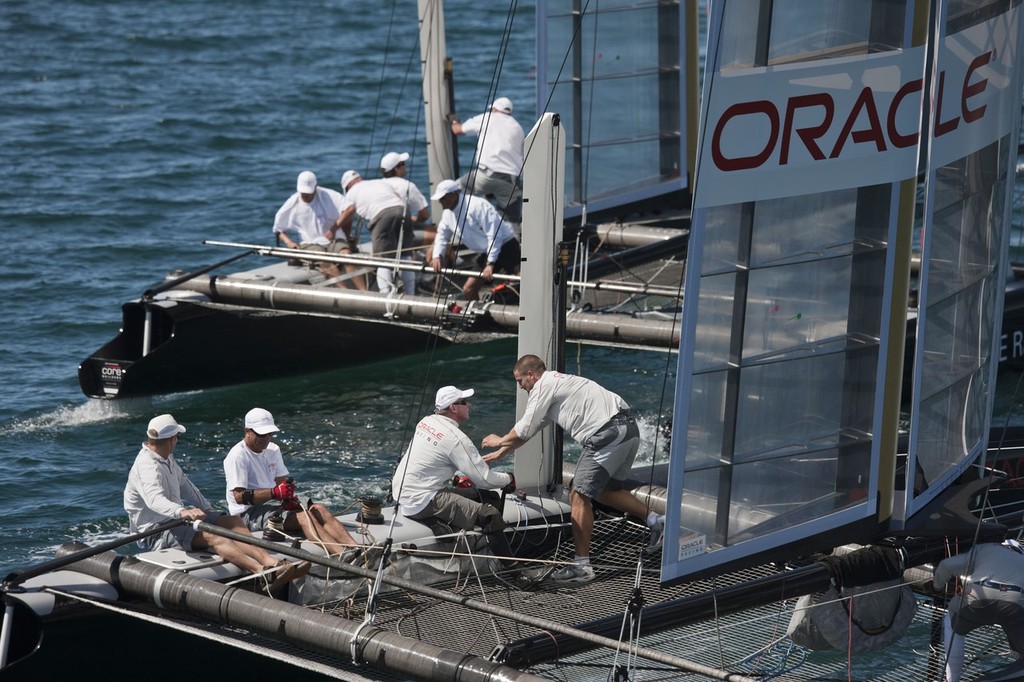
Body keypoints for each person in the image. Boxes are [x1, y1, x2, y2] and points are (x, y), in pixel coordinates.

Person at [482, 355, 665, 584]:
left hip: (606, 433)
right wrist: (502, 452)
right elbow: (530, 430)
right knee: (605, 491)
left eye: (520, 381)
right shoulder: (560, 384)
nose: (520, 387)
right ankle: (656, 521)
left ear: (531, 375)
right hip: (628, 430)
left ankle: (582, 567)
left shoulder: (543, 386)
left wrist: (499, 440)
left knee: (577, 495)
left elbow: (524, 428)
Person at [124, 414, 308, 587]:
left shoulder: (166, 457)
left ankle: (272, 562)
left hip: (176, 519)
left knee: (232, 521)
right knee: (214, 537)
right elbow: (154, 500)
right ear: (172, 439)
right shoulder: (147, 466)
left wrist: (206, 508)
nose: (177, 442)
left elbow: (185, 484)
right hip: (157, 530)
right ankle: (262, 572)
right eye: (177, 438)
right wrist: (183, 511)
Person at [391, 386, 519, 571]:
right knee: (490, 515)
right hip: (422, 500)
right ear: (453, 408)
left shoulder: (426, 422)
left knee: (490, 498)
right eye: (465, 402)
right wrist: (509, 478)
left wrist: (455, 478)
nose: (469, 405)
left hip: (402, 494)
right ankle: (515, 571)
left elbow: (431, 462)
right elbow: (486, 479)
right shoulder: (456, 439)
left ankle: (487, 549)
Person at [223, 407, 357, 559]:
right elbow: (238, 497)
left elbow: (282, 482)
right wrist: (274, 493)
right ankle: (343, 555)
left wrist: (287, 497)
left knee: (319, 509)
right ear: (247, 431)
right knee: (303, 517)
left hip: (272, 503)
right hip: (247, 513)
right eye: (261, 434)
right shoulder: (237, 456)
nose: (266, 438)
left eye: (270, 434)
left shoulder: (273, 449)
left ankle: (357, 550)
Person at [933, 539, 1024, 682]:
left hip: (979, 595)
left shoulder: (985, 548)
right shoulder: (1022, 558)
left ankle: (952, 679)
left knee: (952, 624)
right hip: (1015, 600)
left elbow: (946, 565)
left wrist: (937, 586)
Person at [272, 170, 366, 290]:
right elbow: (278, 228)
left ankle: (364, 292)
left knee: (347, 257)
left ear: (315, 187)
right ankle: (345, 291)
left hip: (333, 239)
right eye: (303, 193)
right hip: (310, 243)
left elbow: (350, 208)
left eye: (308, 193)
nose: (305, 195)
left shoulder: (327, 195)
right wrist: (289, 242)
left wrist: (333, 229)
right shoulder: (292, 202)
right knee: (326, 262)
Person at [429, 179, 520, 301]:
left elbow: (494, 235)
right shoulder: (447, 214)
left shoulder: (477, 205)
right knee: (469, 289)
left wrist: (490, 263)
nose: (440, 201)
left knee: (522, 281)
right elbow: (442, 236)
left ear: (454, 195)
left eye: (443, 198)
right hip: (486, 253)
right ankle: (481, 318)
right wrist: (437, 256)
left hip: (506, 247)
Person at [338, 169, 417, 295]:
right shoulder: (380, 183)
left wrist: (347, 239)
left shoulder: (350, 193)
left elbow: (349, 214)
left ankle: (385, 295)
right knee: (406, 255)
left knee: (382, 259)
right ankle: (411, 295)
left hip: (382, 214)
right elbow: (398, 197)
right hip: (403, 210)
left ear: (347, 186)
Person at [450, 96, 524, 226]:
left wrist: (454, 121)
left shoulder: (488, 117)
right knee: (510, 221)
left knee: (456, 188)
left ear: (494, 109)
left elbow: (458, 130)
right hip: (511, 181)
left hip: (485, 176)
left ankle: (466, 225)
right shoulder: (518, 128)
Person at [381, 151, 435, 253]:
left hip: (382, 234)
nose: (405, 166)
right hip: (401, 236)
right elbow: (424, 215)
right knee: (439, 236)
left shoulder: (378, 185)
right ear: (396, 169)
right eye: (403, 164)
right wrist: (415, 219)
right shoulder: (407, 186)